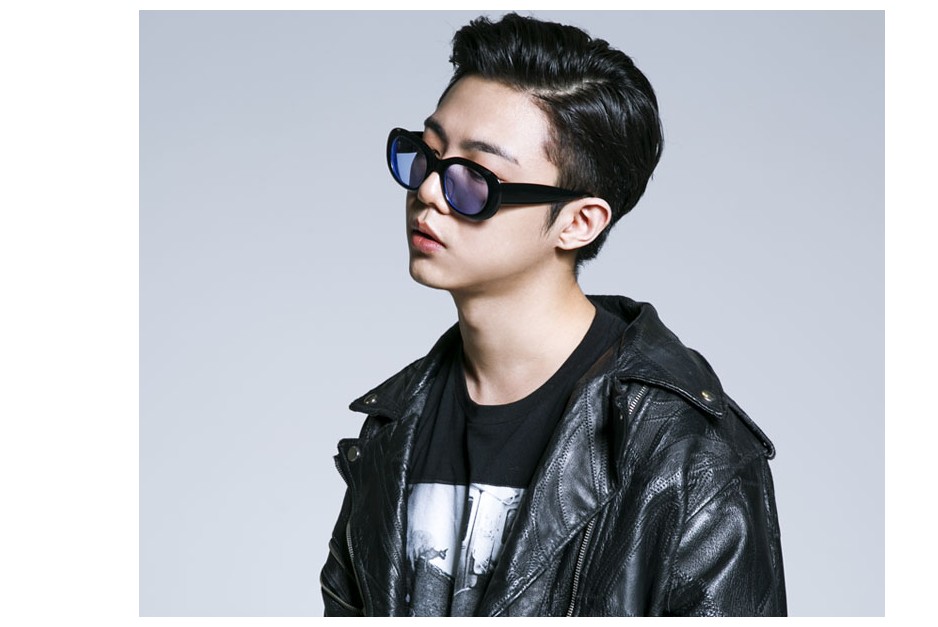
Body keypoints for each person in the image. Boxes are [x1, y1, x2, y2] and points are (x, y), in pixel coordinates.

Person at [320, 13, 786, 617]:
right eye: (428, 156)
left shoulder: (685, 452)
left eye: (476, 178)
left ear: (578, 222)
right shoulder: (392, 428)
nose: (429, 192)